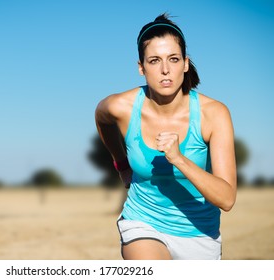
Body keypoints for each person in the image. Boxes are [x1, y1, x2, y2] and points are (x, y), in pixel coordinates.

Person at [95, 13, 236, 260]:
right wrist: (121, 163)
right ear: (141, 67)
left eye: (173, 59)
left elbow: (226, 198)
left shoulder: (213, 114)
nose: (165, 70)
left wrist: (179, 159)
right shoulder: (122, 106)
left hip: (199, 234)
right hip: (143, 222)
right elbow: (102, 117)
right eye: (154, 60)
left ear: (185, 63)